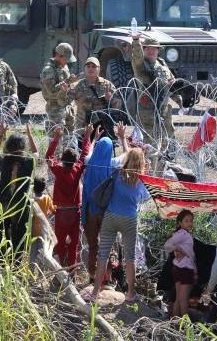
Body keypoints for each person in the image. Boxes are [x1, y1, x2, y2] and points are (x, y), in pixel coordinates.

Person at [89, 148, 151, 302]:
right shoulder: (141, 180)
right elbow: (144, 198)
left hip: (111, 216)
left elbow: (115, 161)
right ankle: (130, 293)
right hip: (130, 219)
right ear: (142, 163)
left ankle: (95, 292)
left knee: (103, 254)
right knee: (130, 257)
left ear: (127, 159)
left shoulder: (117, 173)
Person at [81, 123, 129, 282]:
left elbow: (88, 151)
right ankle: (107, 279)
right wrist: (122, 138)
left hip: (89, 210)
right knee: (106, 246)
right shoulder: (113, 163)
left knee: (93, 246)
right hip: (106, 211)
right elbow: (128, 157)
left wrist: (92, 138)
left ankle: (91, 277)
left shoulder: (89, 161)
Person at [45, 124, 93, 268]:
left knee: (60, 241)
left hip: (61, 212)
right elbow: (85, 155)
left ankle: (61, 267)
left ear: (62, 159)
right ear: (74, 161)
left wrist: (56, 138)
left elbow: (48, 156)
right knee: (74, 243)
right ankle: (72, 270)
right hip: (74, 212)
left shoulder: (58, 169)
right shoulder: (77, 169)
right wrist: (87, 137)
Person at [0, 123, 38, 262]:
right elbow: (36, 153)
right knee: (19, 233)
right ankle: (16, 262)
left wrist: (2, 133)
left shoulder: (4, 161)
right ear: (23, 148)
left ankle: (2, 260)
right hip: (20, 204)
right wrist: (29, 134)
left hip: (2, 202)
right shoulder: (29, 163)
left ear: (8, 147)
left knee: (2, 232)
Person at [130, 33, 178, 167]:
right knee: (147, 144)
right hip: (147, 113)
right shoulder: (141, 66)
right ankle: (146, 170)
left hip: (163, 112)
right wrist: (136, 41)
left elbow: (171, 86)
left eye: (154, 48)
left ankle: (163, 169)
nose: (151, 51)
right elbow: (137, 57)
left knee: (165, 143)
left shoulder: (163, 66)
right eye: (147, 48)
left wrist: (181, 101)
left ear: (158, 50)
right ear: (144, 50)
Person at [62, 56, 118, 135]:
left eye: (94, 66)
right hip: (83, 128)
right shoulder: (77, 86)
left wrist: (111, 99)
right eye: (88, 66)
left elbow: (118, 106)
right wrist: (63, 92)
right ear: (84, 69)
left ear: (99, 69)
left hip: (103, 127)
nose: (90, 68)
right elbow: (64, 103)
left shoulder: (107, 85)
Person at [163, 209, 197, 318]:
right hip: (185, 269)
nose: (190, 223)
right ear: (180, 223)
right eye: (186, 221)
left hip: (179, 268)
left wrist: (178, 249)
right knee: (183, 300)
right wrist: (178, 249)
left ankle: (175, 325)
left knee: (178, 299)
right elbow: (167, 245)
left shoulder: (181, 234)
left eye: (191, 221)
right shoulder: (183, 234)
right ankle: (186, 328)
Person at [40, 43, 77, 137]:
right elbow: (51, 91)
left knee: (69, 138)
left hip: (67, 107)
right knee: (55, 141)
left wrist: (70, 81)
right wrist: (65, 83)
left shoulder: (64, 67)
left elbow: (67, 86)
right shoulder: (48, 70)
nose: (67, 61)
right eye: (65, 58)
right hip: (55, 110)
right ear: (58, 56)